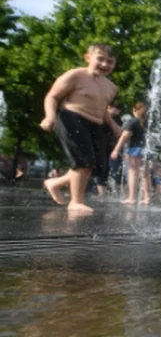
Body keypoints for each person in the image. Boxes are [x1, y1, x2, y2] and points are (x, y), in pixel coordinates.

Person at [39, 44, 121, 214]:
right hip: (72, 118)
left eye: (110, 62)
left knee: (96, 167)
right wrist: (49, 116)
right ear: (87, 58)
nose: (105, 64)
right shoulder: (75, 75)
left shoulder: (111, 87)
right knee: (83, 161)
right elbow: (52, 96)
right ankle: (75, 202)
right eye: (100, 59)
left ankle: (54, 183)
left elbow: (102, 108)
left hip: (95, 124)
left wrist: (113, 125)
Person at [110, 102, 148, 205]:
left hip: (134, 150)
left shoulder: (132, 121)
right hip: (146, 149)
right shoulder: (146, 122)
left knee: (132, 172)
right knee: (145, 173)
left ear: (134, 110)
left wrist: (116, 149)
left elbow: (125, 135)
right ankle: (146, 197)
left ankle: (132, 198)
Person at [96, 103, 124, 196]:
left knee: (115, 170)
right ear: (109, 107)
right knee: (102, 168)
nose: (118, 111)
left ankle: (118, 192)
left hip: (112, 147)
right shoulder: (100, 117)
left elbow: (120, 132)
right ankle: (101, 193)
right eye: (116, 108)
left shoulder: (118, 120)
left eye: (119, 109)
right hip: (101, 146)